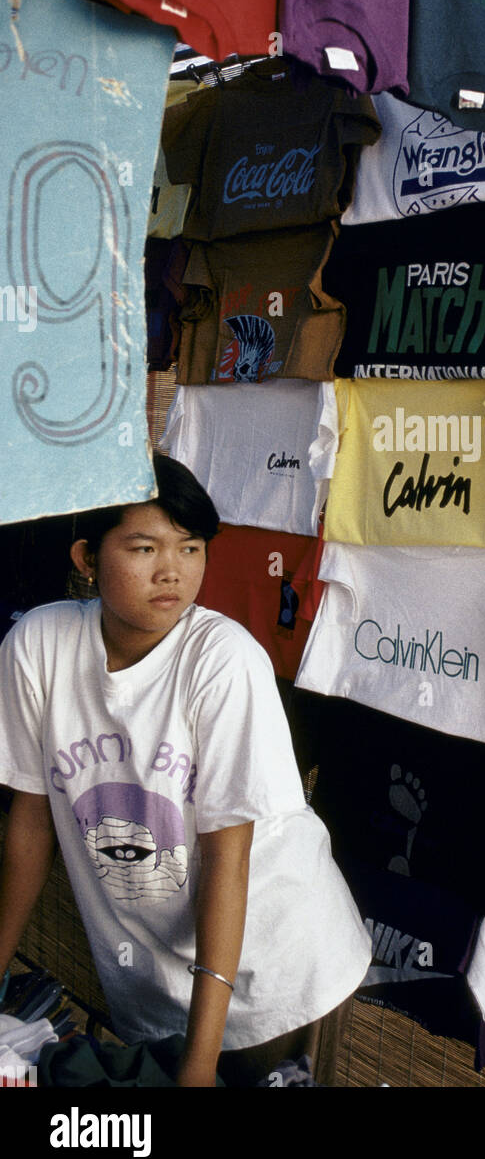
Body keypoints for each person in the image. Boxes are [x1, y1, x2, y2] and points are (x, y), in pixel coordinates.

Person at [0, 454, 370, 1086]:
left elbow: (230, 860)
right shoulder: (39, 646)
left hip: (274, 966)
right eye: (144, 547)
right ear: (86, 558)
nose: (171, 571)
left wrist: (199, 1064)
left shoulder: (224, 663)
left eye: (191, 548)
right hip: (156, 978)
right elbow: (30, 826)